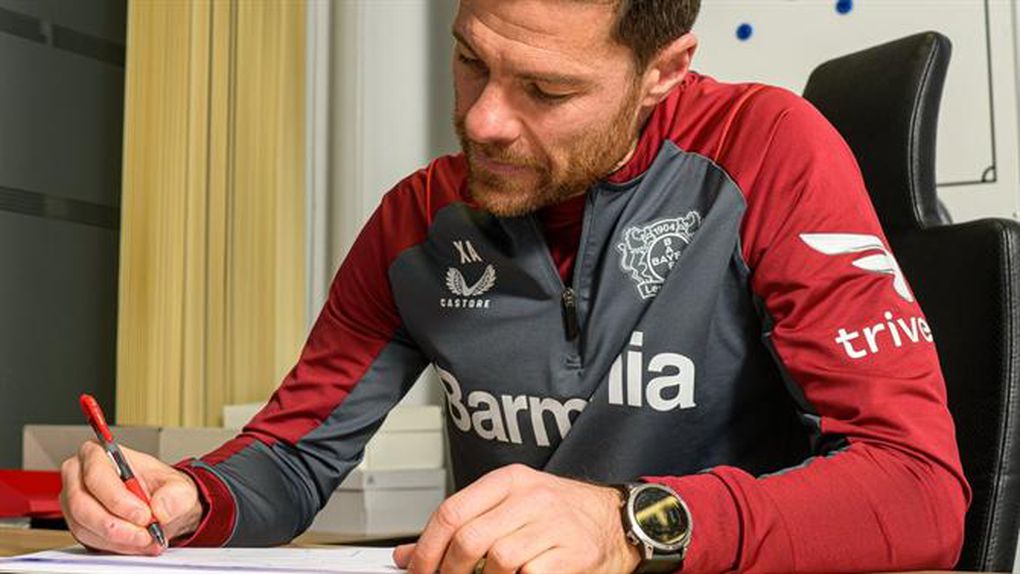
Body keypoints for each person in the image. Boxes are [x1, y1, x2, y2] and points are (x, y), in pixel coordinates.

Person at [60, 0, 971, 572]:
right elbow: (295, 461)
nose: (484, 120)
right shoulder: (418, 220)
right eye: (470, 60)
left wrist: (631, 526)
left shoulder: (766, 150)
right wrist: (186, 499)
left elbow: (919, 491)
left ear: (663, 72)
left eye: (546, 89)